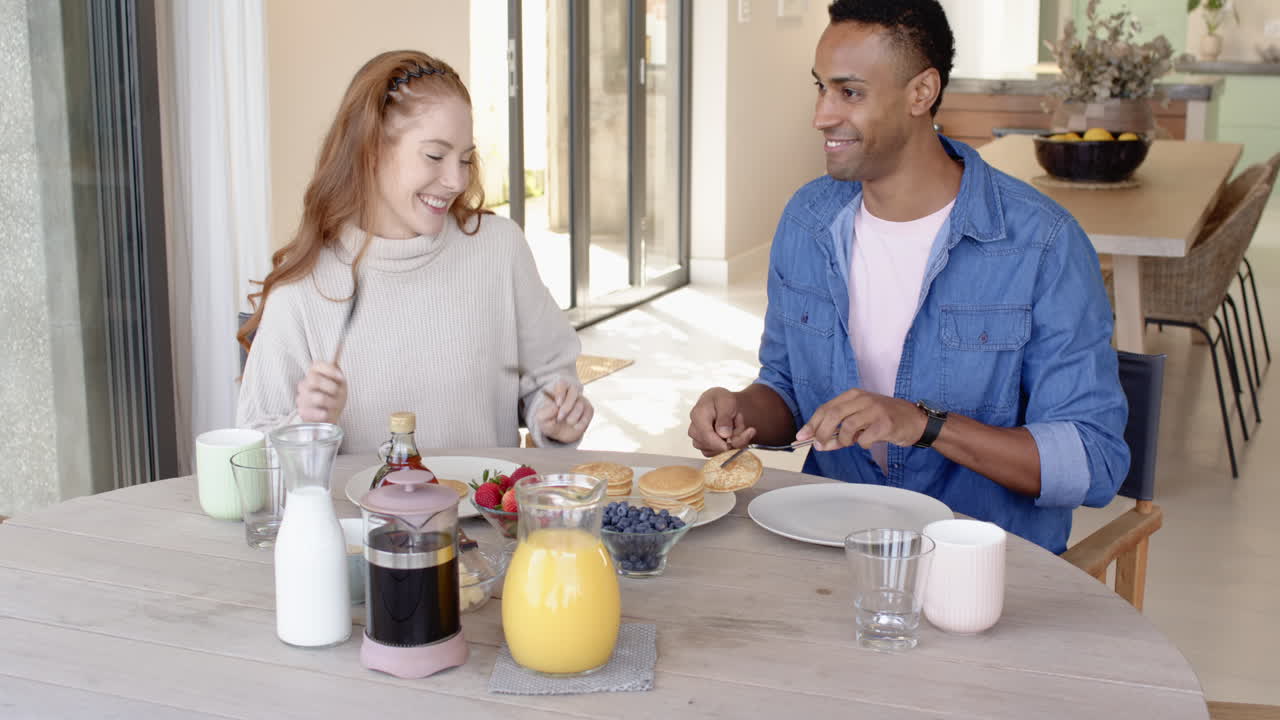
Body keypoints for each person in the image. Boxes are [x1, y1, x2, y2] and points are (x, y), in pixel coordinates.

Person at [686, 0, 1129, 554]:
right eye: (820, 88)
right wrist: (739, 411)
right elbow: (786, 389)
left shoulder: (1043, 245)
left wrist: (924, 423)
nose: (821, 115)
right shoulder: (807, 221)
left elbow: (1092, 462)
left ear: (921, 93)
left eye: (850, 93)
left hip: (984, 572)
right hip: (831, 554)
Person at [237, 50, 592, 454]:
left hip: (482, 518)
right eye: (435, 156)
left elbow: (548, 375)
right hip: (357, 519)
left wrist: (555, 414)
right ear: (370, 152)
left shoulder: (498, 248)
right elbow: (254, 450)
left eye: (465, 158)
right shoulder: (303, 289)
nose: (456, 179)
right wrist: (310, 427)